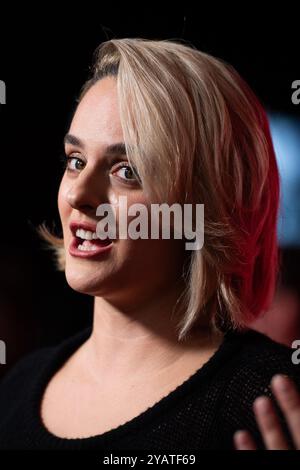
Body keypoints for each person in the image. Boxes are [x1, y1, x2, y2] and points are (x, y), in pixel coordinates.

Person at [0, 38, 299, 450]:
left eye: (127, 171)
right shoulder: (16, 388)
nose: (78, 195)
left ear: (206, 205)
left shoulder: (270, 403)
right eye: (75, 161)